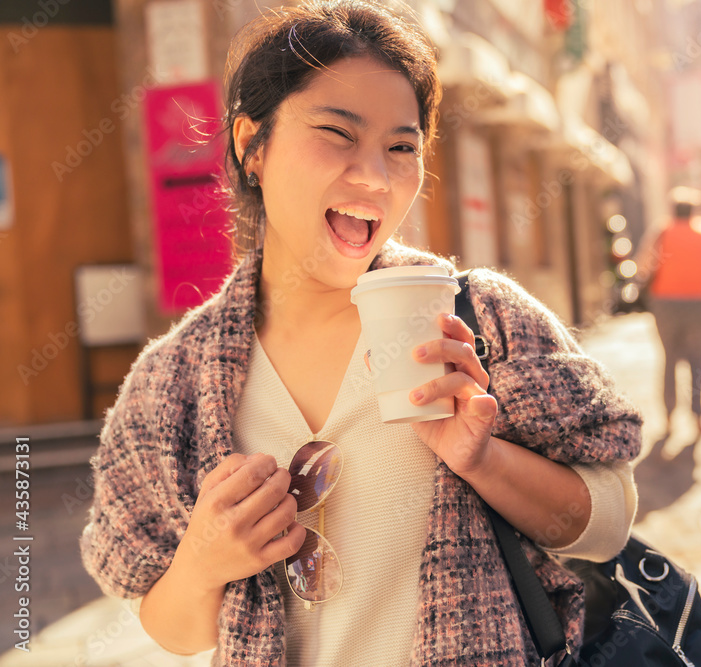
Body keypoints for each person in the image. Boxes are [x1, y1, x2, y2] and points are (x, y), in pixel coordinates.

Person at [79, 2, 641, 666]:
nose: (374, 176)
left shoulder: (479, 319)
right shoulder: (173, 383)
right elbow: (175, 628)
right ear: (250, 145)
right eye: (337, 134)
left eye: (401, 147)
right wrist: (204, 560)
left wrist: (483, 460)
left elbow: (607, 523)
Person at [638, 199, 701, 437]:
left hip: (666, 303)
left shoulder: (662, 232)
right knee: (698, 360)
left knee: (669, 359)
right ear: (693, 212)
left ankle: (668, 416)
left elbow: (644, 263)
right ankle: (698, 416)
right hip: (700, 302)